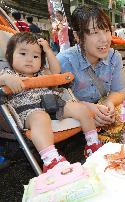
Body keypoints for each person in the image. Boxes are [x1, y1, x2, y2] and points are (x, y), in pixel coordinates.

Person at [0, 32, 100, 172]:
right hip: (29, 111)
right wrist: (5, 80)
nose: (29, 59)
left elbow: (56, 70)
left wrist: (47, 50)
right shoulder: (9, 73)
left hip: (54, 103)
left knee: (81, 108)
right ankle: (51, 160)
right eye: (23, 54)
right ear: (10, 56)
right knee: (41, 118)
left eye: (36, 56)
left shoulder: (42, 73)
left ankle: (93, 143)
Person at [57, 5, 125, 127]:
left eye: (106, 31)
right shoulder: (64, 61)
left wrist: (109, 103)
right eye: (94, 32)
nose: (104, 39)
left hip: (102, 115)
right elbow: (57, 102)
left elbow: (118, 91)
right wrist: (87, 112)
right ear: (77, 36)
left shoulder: (114, 58)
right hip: (75, 125)